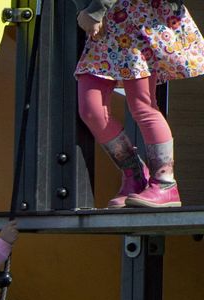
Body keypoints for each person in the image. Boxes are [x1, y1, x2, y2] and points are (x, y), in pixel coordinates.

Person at [75, 1, 204, 208]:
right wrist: (85, 9)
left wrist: (95, 10)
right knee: (91, 109)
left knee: (143, 105)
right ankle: (134, 173)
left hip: (134, 18)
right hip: (108, 25)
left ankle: (165, 183)